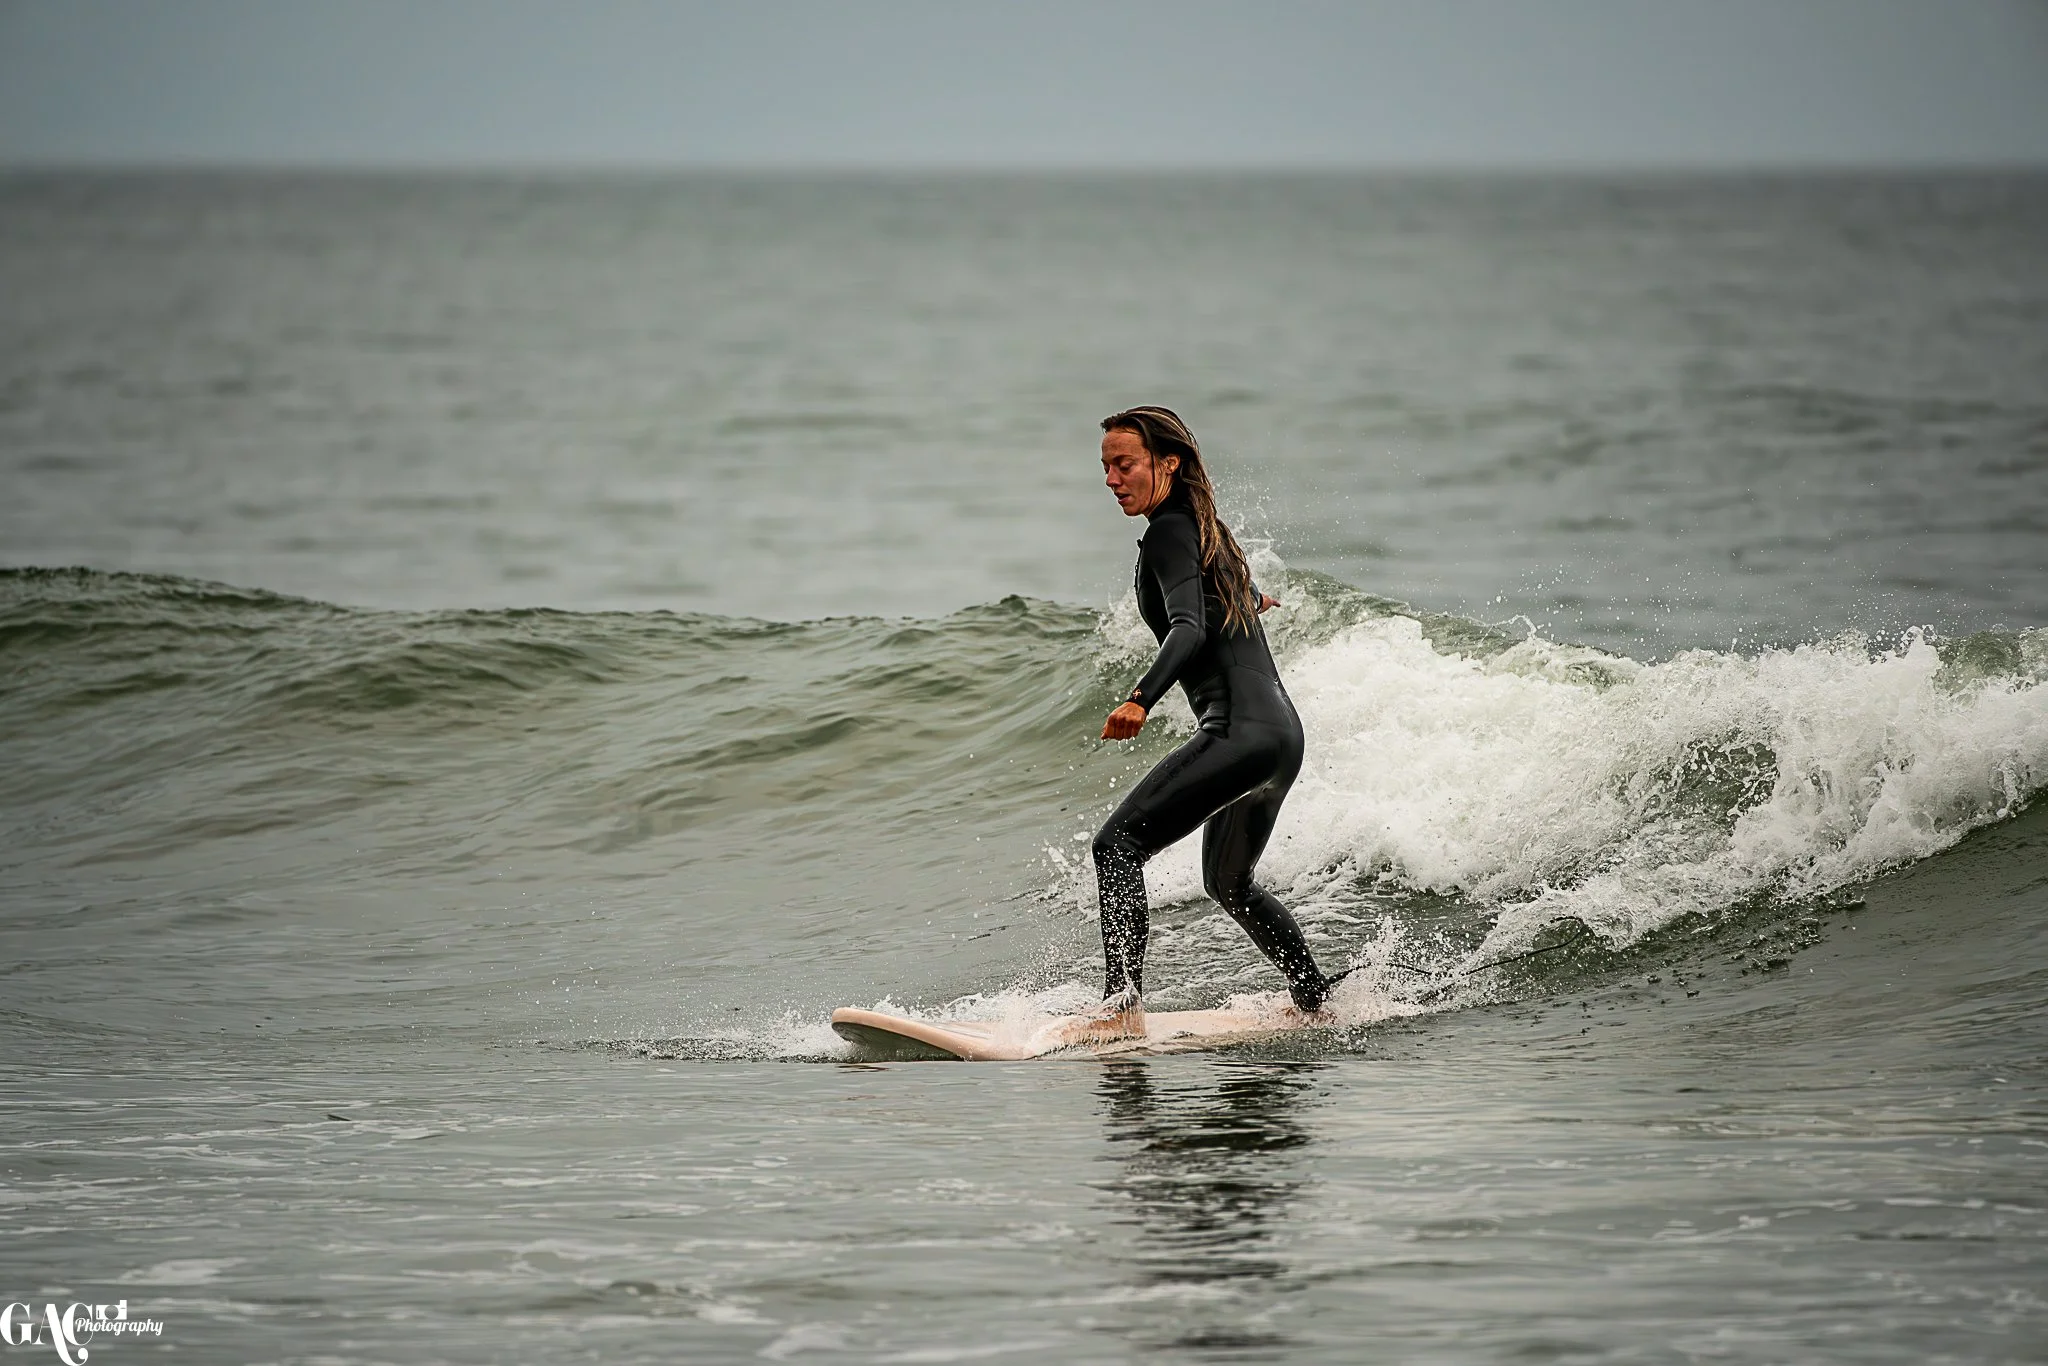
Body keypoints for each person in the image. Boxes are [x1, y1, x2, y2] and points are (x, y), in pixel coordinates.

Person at [1089, 405, 1343, 1037]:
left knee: (1116, 847)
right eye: (1105, 468)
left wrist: (1140, 699)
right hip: (1280, 738)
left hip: (1238, 733)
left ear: (1167, 463)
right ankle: (1314, 999)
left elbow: (1188, 628)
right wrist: (1252, 598)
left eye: (1125, 464)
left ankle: (1120, 1009)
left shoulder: (1172, 531)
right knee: (1228, 881)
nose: (1113, 479)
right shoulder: (1208, 531)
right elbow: (1213, 604)